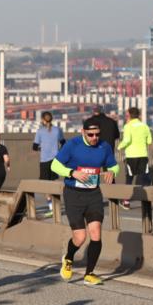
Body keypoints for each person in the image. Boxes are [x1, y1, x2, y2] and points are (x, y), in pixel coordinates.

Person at [51, 118, 120, 286]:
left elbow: (114, 166)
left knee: (96, 233)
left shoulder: (104, 147)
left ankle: (89, 274)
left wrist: (112, 172)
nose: (94, 138)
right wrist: (72, 173)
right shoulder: (72, 145)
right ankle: (68, 258)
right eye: (91, 135)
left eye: (97, 134)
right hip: (73, 194)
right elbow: (54, 165)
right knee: (80, 237)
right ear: (83, 132)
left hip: (93, 194)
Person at [117, 107, 153, 210]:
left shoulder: (128, 126)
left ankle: (126, 202)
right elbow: (149, 141)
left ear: (129, 115)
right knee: (144, 178)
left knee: (129, 178)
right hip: (143, 155)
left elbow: (127, 140)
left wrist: (119, 147)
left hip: (131, 156)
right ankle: (147, 201)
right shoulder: (145, 126)